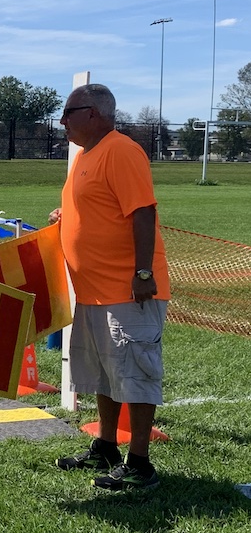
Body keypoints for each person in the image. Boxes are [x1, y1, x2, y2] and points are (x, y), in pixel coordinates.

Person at [51, 83, 170, 490]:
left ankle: (140, 463)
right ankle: (106, 445)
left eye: (68, 113)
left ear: (94, 113)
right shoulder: (87, 155)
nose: (62, 121)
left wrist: (142, 273)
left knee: (135, 374)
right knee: (103, 375)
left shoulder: (120, 149)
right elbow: (100, 209)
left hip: (126, 289)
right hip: (91, 291)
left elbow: (142, 211)